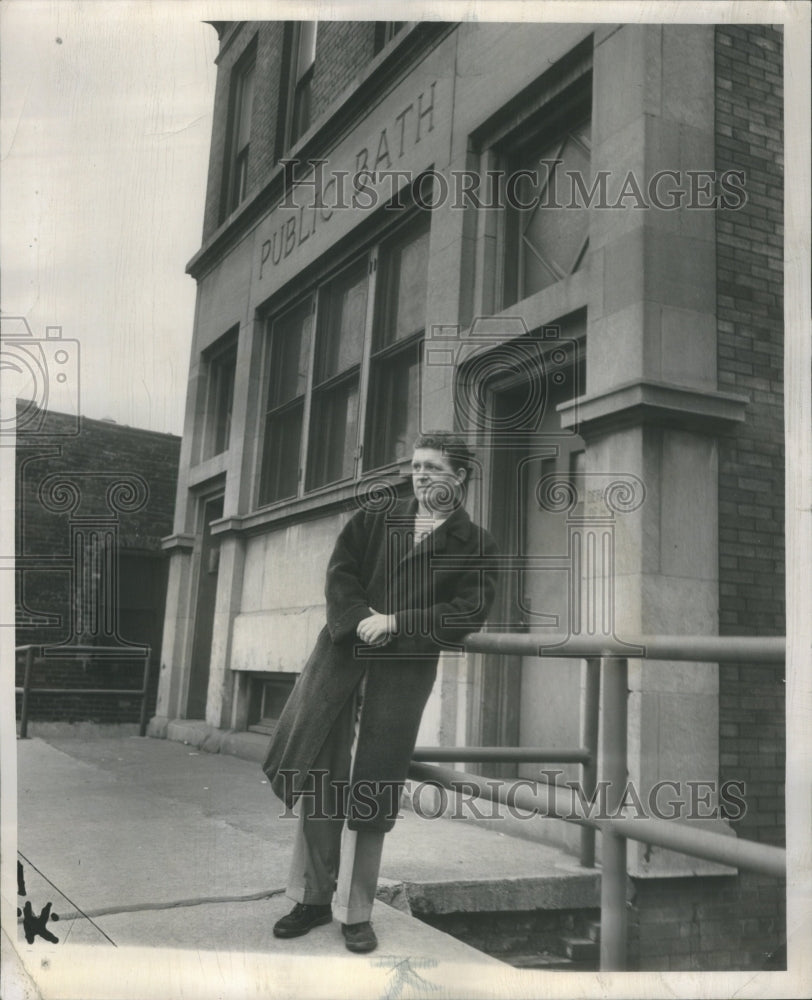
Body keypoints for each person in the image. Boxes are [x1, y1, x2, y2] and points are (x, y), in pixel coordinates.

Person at [262, 431, 499, 953]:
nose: (420, 475)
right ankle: (311, 899)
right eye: (416, 466)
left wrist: (395, 622)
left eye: (434, 467)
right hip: (341, 660)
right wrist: (361, 618)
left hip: (400, 675)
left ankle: (357, 911)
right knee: (322, 775)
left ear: (459, 477)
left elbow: (465, 613)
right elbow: (340, 575)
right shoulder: (376, 516)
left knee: (374, 784)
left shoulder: (475, 543)